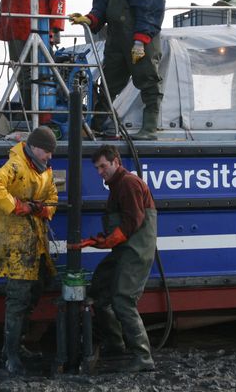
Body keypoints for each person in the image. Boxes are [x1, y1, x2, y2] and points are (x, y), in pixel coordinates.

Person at [73, 144, 157, 372]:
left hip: (135, 252)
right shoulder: (117, 186)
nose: (100, 172)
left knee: (122, 299)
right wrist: (100, 240)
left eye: (103, 166)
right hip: (123, 250)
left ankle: (143, 356)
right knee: (99, 290)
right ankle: (115, 344)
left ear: (116, 162)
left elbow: (132, 221)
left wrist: (107, 241)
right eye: (97, 168)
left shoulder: (129, 183)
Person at [0, 126, 59, 375]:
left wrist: (41, 209)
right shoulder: (16, 166)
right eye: (47, 151)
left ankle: (15, 346)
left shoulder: (44, 170)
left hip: (35, 242)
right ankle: (11, 355)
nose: (49, 156)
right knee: (17, 299)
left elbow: (53, 197)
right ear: (35, 147)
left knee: (36, 289)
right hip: (16, 244)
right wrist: (17, 206)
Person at [69, 0, 165, 139]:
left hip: (141, 43)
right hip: (117, 44)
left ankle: (149, 129)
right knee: (108, 83)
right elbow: (100, 8)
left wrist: (140, 41)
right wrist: (90, 19)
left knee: (148, 82)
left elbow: (149, 12)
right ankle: (97, 125)